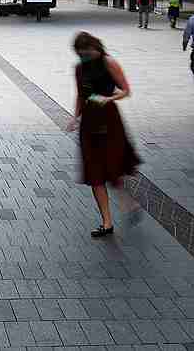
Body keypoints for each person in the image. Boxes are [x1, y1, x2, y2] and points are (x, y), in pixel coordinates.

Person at [67, 32, 142, 238]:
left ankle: (128, 202)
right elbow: (80, 95)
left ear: (95, 48)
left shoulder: (109, 63)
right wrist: (75, 118)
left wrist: (108, 99)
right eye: (80, 54)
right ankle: (107, 222)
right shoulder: (79, 69)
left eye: (86, 53)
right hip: (89, 123)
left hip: (109, 120)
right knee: (94, 173)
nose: (83, 57)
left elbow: (126, 90)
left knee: (112, 167)